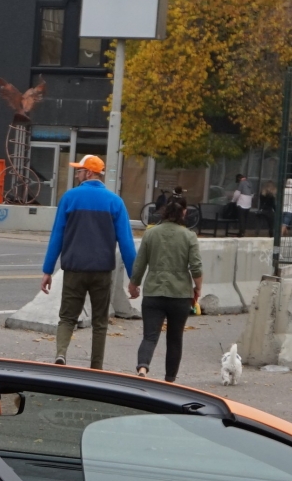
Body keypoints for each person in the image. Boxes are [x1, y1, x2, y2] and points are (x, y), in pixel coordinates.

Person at [38, 154, 139, 367]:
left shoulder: (69, 198)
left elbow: (57, 235)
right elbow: (127, 243)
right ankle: (96, 366)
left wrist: (48, 270)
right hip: (101, 271)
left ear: (89, 173)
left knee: (67, 317)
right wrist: (134, 278)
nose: (76, 174)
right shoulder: (115, 202)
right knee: (100, 321)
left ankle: (61, 353)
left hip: (74, 268)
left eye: (79, 170)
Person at [130, 196, 203, 382]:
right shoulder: (189, 236)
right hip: (180, 294)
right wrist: (197, 288)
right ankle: (170, 379)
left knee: (150, 336)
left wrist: (134, 284)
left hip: (154, 291)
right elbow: (196, 267)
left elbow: (140, 264)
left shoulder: (151, 234)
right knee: (175, 338)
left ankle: (143, 368)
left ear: (164, 212)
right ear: (183, 214)